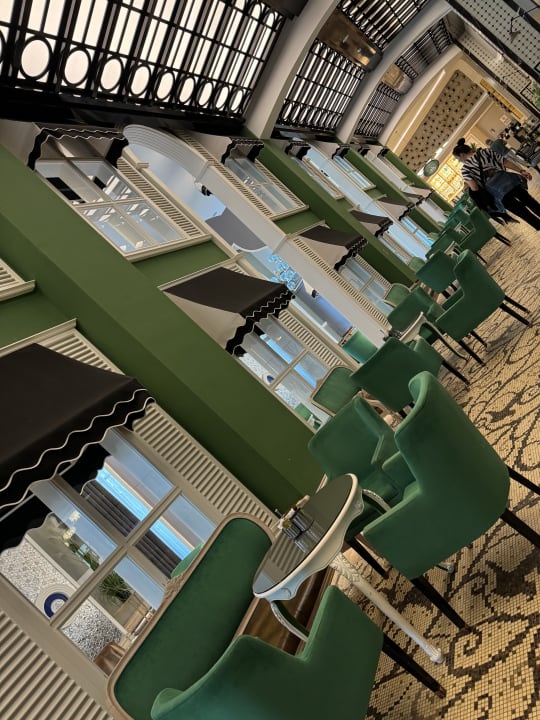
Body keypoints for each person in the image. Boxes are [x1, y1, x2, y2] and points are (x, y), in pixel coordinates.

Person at [453, 137, 540, 230]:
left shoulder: (465, 169)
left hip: (498, 192)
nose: (459, 161)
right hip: (509, 181)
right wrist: (521, 171)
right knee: (529, 201)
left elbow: (475, 188)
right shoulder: (486, 152)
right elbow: (505, 162)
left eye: (457, 158)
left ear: (461, 155)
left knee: (521, 212)